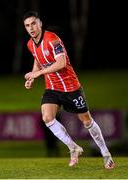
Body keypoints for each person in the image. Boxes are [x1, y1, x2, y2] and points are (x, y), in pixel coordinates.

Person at [23, 11, 115, 169]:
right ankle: (73, 148)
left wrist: (38, 73)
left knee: (86, 121)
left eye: (33, 24)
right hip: (52, 87)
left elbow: (61, 63)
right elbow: (37, 60)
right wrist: (33, 76)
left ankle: (105, 153)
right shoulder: (30, 44)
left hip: (71, 87)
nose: (31, 28)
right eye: (27, 25)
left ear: (40, 24)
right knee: (47, 117)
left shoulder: (53, 39)